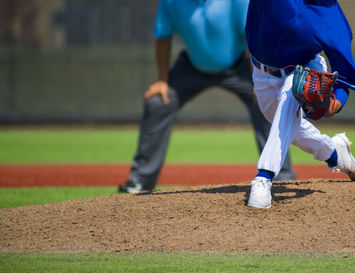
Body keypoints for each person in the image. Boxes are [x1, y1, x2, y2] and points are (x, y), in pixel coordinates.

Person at [118, 0, 296, 193]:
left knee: (265, 101)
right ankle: (141, 181)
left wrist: (259, 81)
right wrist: (162, 79)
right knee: (157, 102)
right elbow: (162, 35)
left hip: (238, 66)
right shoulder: (170, 2)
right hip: (191, 67)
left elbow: (252, 37)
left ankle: (281, 177)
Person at [245, 0, 355, 208]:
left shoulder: (332, 18)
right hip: (262, 72)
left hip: (304, 69)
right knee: (286, 124)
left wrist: (335, 103)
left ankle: (263, 178)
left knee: (290, 97)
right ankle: (334, 152)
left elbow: (345, 78)